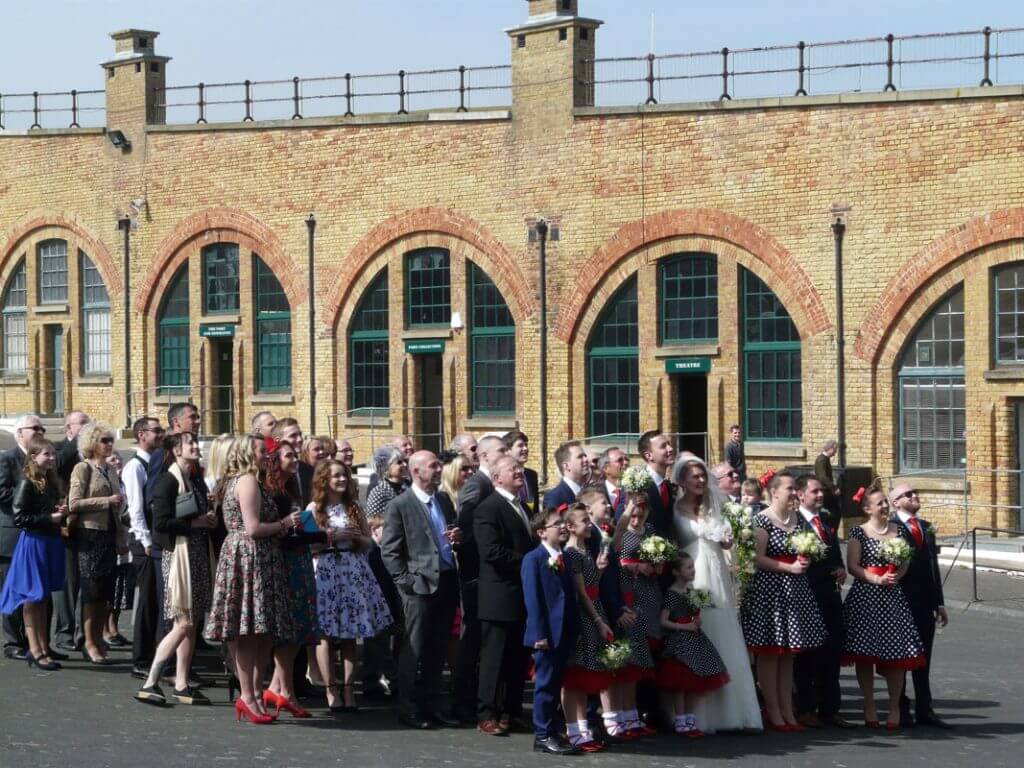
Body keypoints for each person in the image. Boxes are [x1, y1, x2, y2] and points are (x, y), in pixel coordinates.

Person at [204, 435, 296, 725]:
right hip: (249, 556)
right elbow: (253, 528)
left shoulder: (251, 480)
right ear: (247, 454)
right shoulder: (246, 481)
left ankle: (254, 693)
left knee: (261, 630)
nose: (267, 456)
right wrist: (285, 523)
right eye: (261, 451)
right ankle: (247, 694)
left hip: (259, 557)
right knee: (247, 630)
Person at [670, 455, 762, 733]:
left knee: (724, 631)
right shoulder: (673, 507)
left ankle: (734, 710)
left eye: (702, 476)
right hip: (691, 574)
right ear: (682, 481)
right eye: (694, 476)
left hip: (717, 572)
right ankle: (695, 713)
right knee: (698, 632)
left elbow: (725, 538)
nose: (700, 481)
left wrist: (727, 540)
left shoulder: (714, 505)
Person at [380, 450, 461, 730]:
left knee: (437, 649)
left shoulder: (442, 500)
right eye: (433, 466)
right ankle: (409, 707)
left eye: (439, 465)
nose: (439, 470)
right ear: (416, 472)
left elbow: (447, 533)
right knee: (413, 648)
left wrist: (456, 538)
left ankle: (432, 704)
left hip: (447, 582)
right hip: (419, 586)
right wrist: (407, 583)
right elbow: (390, 551)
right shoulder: (400, 505)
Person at [741, 471, 826, 731]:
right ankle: (774, 712)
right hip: (770, 592)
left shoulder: (798, 520)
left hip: (796, 591)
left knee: (789, 654)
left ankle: (789, 710)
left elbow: (806, 548)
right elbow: (756, 557)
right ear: (774, 492)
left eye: (794, 489)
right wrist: (788, 568)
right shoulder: (762, 520)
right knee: (770, 653)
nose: (793, 493)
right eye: (789, 488)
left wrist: (806, 559)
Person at [135, 432, 215, 706]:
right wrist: (197, 524)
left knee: (191, 625)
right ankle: (151, 681)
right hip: (178, 556)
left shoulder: (195, 478)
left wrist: (207, 519)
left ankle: (181, 683)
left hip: (196, 555)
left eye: (195, 442)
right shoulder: (167, 481)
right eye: (189, 443)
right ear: (176, 450)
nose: (195, 446)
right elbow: (161, 523)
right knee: (184, 622)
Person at [311, 460, 392, 713]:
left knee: (350, 632)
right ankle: (330, 688)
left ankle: (348, 688)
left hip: (352, 568)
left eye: (344, 475)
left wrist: (358, 537)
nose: (342, 480)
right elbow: (307, 545)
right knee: (324, 633)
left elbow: (369, 542)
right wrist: (331, 537)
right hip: (326, 567)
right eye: (336, 476)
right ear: (325, 479)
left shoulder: (354, 506)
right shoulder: (315, 508)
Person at [842, 488, 926, 729]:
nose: (885, 507)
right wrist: (876, 579)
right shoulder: (858, 532)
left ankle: (894, 706)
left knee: (897, 654)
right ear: (868, 509)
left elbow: (906, 560)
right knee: (864, 653)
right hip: (866, 597)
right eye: (879, 504)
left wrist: (896, 576)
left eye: (886, 503)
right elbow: (853, 566)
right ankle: (869, 704)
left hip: (892, 598)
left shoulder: (898, 531)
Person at [474, 455, 535, 736]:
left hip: (522, 597)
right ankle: (487, 713)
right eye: (514, 469)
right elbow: (491, 551)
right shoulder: (488, 508)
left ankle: (510, 711)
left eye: (520, 468)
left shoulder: (522, 506)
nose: (520, 472)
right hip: (499, 596)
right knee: (494, 659)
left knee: (517, 658)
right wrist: (530, 562)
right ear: (497, 477)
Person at [261, 439, 322, 718]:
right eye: (288, 455)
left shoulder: (291, 489)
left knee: (299, 629)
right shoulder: (273, 492)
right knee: (289, 629)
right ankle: (286, 691)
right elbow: (280, 531)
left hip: (300, 560)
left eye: (295, 455)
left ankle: (277, 688)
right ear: (275, 461)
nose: (294, 458)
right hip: (285, 563)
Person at [0, 436, 67, 670]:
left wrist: (57, 511)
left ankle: (42, 647)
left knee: (42, 598)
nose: (51, 458)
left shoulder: (49, 481)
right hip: (34, 544)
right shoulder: (27, 482)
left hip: (48, 541)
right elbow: (20, 518)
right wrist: (50, 517)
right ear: (34, 457)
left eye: (52, 454)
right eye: (46, 454)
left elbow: (40, 511)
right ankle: (35, 649)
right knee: (33, 597)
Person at [451, 436, 505, 722]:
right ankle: (462, 701)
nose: (507, 454)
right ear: (484, 456)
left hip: (490, 577)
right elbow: (465, 529)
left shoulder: (495, 485)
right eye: (501, 451)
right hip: (476, 575)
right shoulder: (476, 484)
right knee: (472, 639)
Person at [889, 483, 951, 729]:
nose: (914, 496)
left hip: (925, 602)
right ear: (895, 502)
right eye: (907, 494)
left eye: (915, 493)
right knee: (903, 658)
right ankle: (901, 708)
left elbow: (932, 566)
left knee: (924, 658)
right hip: (902, 601)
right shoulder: (892, 528)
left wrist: (939, 601)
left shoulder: (925, 527)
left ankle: (925, 708)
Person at [794, 475, 852, 729]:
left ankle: (831, 709)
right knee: (807, 657)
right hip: (807, 595)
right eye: (815, 491)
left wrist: (840, 569)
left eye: (821, 491)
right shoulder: (794, 523)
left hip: (830, 595)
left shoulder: (827, 520)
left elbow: (835, 553)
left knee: (832, 651)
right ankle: (806, 708)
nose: (820, 495)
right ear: (800, 494)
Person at [68, 422, 128, 665]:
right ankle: (88, 641)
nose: (109, 444)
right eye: (104, 440)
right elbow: (74, 503)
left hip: (109, 535)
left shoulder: (110, 470)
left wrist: (121, 534)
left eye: (110, 440)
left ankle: (99, 639)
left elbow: (117, 507)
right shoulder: (83, 468)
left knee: (105, 592)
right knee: (91, 591)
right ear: (92, 443)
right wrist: (106, 500)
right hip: (90, 535)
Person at [522, 506, 580, 755]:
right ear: (542, 532)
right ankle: (542, 734)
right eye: (558, 524)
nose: (564, 527)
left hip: (564, 631)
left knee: (556, 684)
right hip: (547, 634)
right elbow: (533, 599)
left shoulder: (563, 558)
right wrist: (539, 635)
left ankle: (554, 730)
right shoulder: (533, 559)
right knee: (545, 685)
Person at [658, 552, 731, 738]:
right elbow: (663, 620)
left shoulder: (691, 591)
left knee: (694, 681)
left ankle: (689, 718)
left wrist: (696, 620)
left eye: (693, 567)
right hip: (680, 643)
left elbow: (694, 613)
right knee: (681, 683)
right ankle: (681, 720)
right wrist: (683, 626)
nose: (693, 570)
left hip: (694, 640)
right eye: (688, 567)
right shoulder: (672, 594)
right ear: (675, 572)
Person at [560, 502, 613, 753]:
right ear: (570, 526)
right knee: (574, 676)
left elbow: (592, 585)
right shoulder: (570, 554)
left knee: (584, 676)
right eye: (583, 521)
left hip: (594, 610)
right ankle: (573, 729)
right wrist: (598, 620)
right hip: (584, 616)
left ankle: (582, 728)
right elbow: (581, 593)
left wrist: (600, 571)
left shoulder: (585, 551)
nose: (589, 525)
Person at [610, 495, 660, 738]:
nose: (637, 519)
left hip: (647, 595)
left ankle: (632, 715)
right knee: (625, 660)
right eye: (633, 514)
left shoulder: (650, 530)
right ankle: (618, 716)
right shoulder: (619, 532)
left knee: (638, 658)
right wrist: (632, 566)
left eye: (641, 514)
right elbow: (614, 553)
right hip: (626, 593)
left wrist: (657, 564)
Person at [0, 414, 45, 660]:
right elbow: (2, 493)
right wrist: (28, 493)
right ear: (20, 433)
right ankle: (13, 642)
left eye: (42, 428)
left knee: (35, 593)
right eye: (34, 428)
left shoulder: (43, 460)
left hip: (38, 535)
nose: (40, 431)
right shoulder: (7, 459)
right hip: (13, 534)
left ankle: (36, 643)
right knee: (12, 589)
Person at [124, 417, 165, 678]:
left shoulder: (155, 463)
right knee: (147, 599)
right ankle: (141, 658)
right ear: (142, 435)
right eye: (156, 430)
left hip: (153, 539)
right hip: (143, 541)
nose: (161, 434)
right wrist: (146, 541)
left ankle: (154, 653)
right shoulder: (134, 467)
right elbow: (136, 508)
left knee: (156, 599)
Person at [52, 409, 89, 654]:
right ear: (69, 429)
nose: (88, 428)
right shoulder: (59, 451)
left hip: (89, 525)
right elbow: (58, 469)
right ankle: (64, 632)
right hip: (66, 525)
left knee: (86, 583)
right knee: (67, 582)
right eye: (82, 424)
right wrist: (78, 442)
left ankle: (83, 634)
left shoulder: (93, 453)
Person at [104, 451, 133, 649]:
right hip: (113, 540)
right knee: (110, 587)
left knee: (121, 589)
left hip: (127, 538)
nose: (118, 461)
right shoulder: (108, 485)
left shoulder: (123, 482)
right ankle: (104, 629)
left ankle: (114, 627)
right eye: (113, 459)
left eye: (119, 458)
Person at [638, 431, 676, 536]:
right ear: (649, 456)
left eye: (669, 444)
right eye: (663, 446)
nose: (670, 449)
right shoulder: (638, 486)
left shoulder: (667, 486)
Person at [365, 447, 409, 520]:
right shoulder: (379, 492)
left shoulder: (408, 487)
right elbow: (373, 522)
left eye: (405, 461)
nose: (405, 464)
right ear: (386, 468)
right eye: (399, 462)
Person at [543, 441, 588, 512]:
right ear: (566, 466)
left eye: (585, 456)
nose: (586, 459)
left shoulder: (589, 492)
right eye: (580, 457)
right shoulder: (554, 497)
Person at [504, 430, 539, 514]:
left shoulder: (532, 475)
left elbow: (536, 508)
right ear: (508, 450)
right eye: (520, 445)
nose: (525, 448)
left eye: (526, 445)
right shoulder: (503, 476)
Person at [599, 446, 628, 519]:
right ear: (606, 468)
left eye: (626, 459)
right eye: (620, 460)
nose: (625, 463)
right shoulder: (595, 491)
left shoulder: (634, 491)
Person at [815, 440, 840, 520]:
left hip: (827, 492)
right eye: (835, 450)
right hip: (824, 492)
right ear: (831, 449)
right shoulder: (821, 460)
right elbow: (822, 477)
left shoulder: (825, 459)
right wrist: (834, 488)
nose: (835, 453)